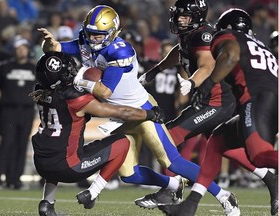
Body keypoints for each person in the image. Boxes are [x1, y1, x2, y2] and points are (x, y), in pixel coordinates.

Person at [38, 5, 240, 215]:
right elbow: (57, 52)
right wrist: (51, 45)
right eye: (90, 34)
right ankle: (172, 185)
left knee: (173, 161)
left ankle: (224, 195)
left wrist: (80, 79)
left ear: (112, 33)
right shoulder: (86, 40)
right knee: (128, 174)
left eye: (98, 35)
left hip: (143, 111)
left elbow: (106, 92)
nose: (92, 39)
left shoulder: (119, 51)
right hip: (122, 116)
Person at [136, 0, 277, 214]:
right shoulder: (192, 36)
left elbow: (209, 64)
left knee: (168, 137)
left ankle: (172, 188)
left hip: (219, 101)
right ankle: (259, 184)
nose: (179, 19)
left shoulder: (208, 36)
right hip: (234, 99)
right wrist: (155, 70)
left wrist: (196, 83)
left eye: (185, 16)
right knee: (222, 146)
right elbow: (181, 51)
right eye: (179, 15)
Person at [30, 51, 165, 216]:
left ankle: (47, 204)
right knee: (122, 143)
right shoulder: (74, 99)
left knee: (57, 149)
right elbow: (120, 112)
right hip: (68, 167)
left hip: (42, 164)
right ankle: (92, 193)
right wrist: (150, 114)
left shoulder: (40, 90)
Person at [0, 35, 36, 189]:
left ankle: (15, 179)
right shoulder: (6, 67)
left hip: (27, 111)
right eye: (18, 48)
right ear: (14, 51)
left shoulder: (34, 68)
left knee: (21, 145)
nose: (21, 51)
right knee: (6, 144)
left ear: (28, 50)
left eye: (24, 48)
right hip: (8, 110)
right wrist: (0, 95)